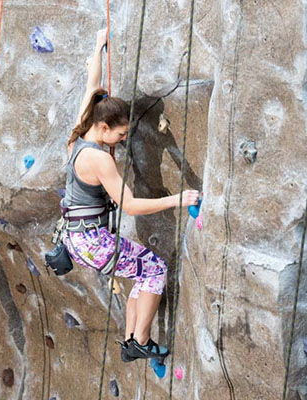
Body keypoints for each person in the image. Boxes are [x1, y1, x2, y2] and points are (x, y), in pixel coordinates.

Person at [59, 29, 199, 361]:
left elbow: (92, 86)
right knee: (155, 269)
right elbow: (131, 206)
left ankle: (130, 341)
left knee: (142, 269)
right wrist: (180, 199)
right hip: (92, 242)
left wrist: (99, 44)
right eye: (121, 134)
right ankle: (141, 340)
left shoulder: (80, 133)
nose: (123, 140)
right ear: (104, 128)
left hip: (77, 239)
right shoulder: (97, 158)